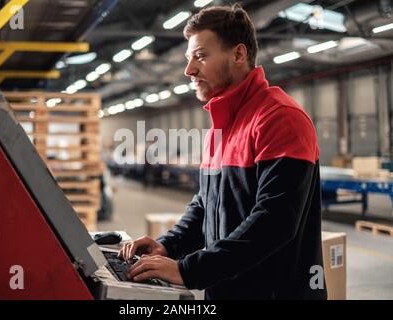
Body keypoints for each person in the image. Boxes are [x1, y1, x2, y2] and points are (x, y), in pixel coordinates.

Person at [119, 4, 327, 300]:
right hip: (227, 289)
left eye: (200, 56)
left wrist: (188, 270)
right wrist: (169, 245)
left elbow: (275, 221)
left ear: (238, 54)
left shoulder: (280, 117)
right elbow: (207, 203)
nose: (189, 70)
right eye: (189, 59)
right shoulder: (222, 125)